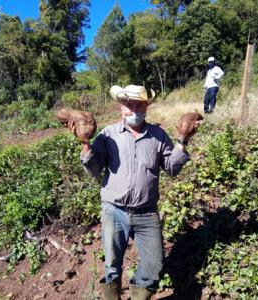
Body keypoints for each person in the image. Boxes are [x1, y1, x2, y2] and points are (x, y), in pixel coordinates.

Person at [73, 85, 200, 300]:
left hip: (146, 213)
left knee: (154, 264)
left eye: (138, 104)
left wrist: (183, 140)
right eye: (128, 104)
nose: (133, 109)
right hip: (114, 211)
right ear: (121, 108)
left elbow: (171, 168)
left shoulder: (158, 135)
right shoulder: (108, 134)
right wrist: (85, 144)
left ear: (146, 107)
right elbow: (94, 171)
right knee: (112, 263)